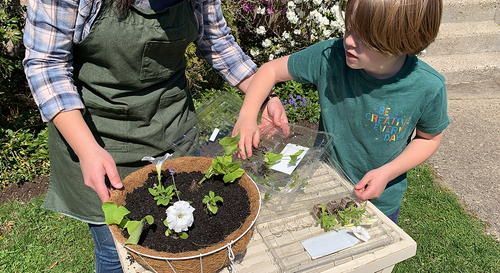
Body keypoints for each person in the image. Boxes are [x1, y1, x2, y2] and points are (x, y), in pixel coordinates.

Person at [23, 0, 287, 271]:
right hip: (99, 138)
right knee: (117, 252)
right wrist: (86, 147)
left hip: (174, 128)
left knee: (186, 240)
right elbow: (46, 65)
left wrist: (263, 95)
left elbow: (216, 39)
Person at [233, 0, 449, 225]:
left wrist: (388, 172)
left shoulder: (428, 86)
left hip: (379, 200)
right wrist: (247, 115)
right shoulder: (330, 57)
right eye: (349, 27)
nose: (348, 40)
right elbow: (270, 71)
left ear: (410, 39)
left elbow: (428, 139)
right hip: (322, 182)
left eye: (365, 37)